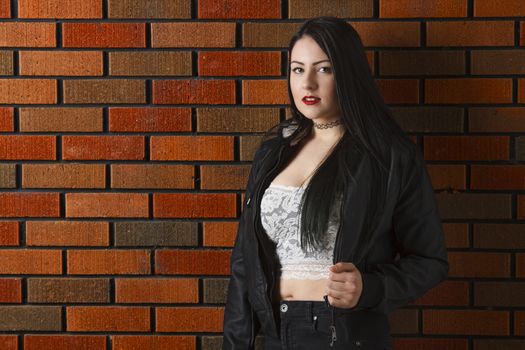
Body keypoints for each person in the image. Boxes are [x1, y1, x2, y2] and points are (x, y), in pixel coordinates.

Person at [222, 16, 448, 350]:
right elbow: (245, 261)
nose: (307, 83)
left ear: (347, 74)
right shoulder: (273, 152)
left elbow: (430, 261)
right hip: (274, 332)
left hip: (339, 334)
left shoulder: (387, 157)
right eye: (298, 69)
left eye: (323, 69)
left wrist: (369, 288)